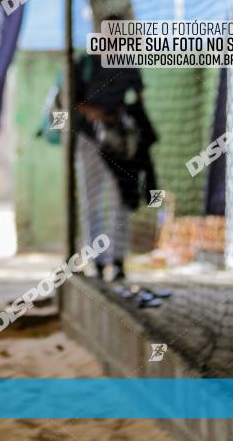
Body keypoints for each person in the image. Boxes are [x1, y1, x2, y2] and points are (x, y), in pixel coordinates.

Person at [71, 16, 158, 280]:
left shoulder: (128, 65)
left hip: (120, 142)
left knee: (122, 199)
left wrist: (122, 118)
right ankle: (97, 262)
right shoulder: (85, 63)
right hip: (90, 140)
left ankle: (118, 261)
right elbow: (71, 101)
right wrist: (97, 114)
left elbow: (137, 99)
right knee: (93, 202)